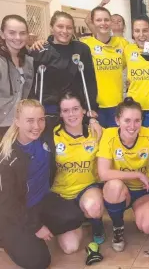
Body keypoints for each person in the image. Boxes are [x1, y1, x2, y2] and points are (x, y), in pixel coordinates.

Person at [0, 99, 85, 269]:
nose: (37, 126)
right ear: (17, 122)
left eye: (41, 119)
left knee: (75, 215)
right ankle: (9, 238)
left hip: (41, 202)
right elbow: (8, 205)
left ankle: (30, 236)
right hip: (14, 213)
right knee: (39, 262)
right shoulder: (8, 159)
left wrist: (93, 121)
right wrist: (36, 226)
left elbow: (70, 116)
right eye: (30, 121)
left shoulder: (45, 135)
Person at [97, 97, 149, 252]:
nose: (132, 126)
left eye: (137, 120)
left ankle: (143, 211)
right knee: (114, 186)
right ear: (117, 120)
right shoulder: (109, 135)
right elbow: (103, 173)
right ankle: (117, 226)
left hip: (143, 190)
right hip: (120, 189)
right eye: (127, 120)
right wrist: (136, 174)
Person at [51, 91, 105, 246]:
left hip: (87, 189)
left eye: (75, 109)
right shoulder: (52, 135)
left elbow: (121, 135)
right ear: (60, 114)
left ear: (83, 111)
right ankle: (77, 219)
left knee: (93, 207)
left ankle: (96, 224)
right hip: (61, 194)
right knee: (70, 247)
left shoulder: (96, 132)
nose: (71, 114)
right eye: (66, 110)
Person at [29, 11, 98, 130]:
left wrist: (91, 107)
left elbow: (90, 81)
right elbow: (32, 84)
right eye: (60, 26)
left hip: (74, 108)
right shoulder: (40, 50)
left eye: (69, 27)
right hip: (49, 108)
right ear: (51, 28)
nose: (65, 31)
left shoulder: (82, 49)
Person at [81, 6, 128, 128]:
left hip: (118, 105)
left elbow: (140, 54)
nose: (103, 23)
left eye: (106, 20)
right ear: (93, 22)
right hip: (95, 107)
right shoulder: (85, 45)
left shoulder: (122, 43)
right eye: (99, 20)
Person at [123, 15, 149, 132]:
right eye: (137, 31)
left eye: (145, 30)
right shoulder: (128, 49)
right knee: (134, 143)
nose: (141, 35)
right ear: (133, 33)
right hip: (132, 108)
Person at [0, 15, 33, 138]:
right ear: (2, 34)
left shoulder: (28, 61)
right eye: (12, 33)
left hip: (19, 126)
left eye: (22, 33)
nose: (18, 38)